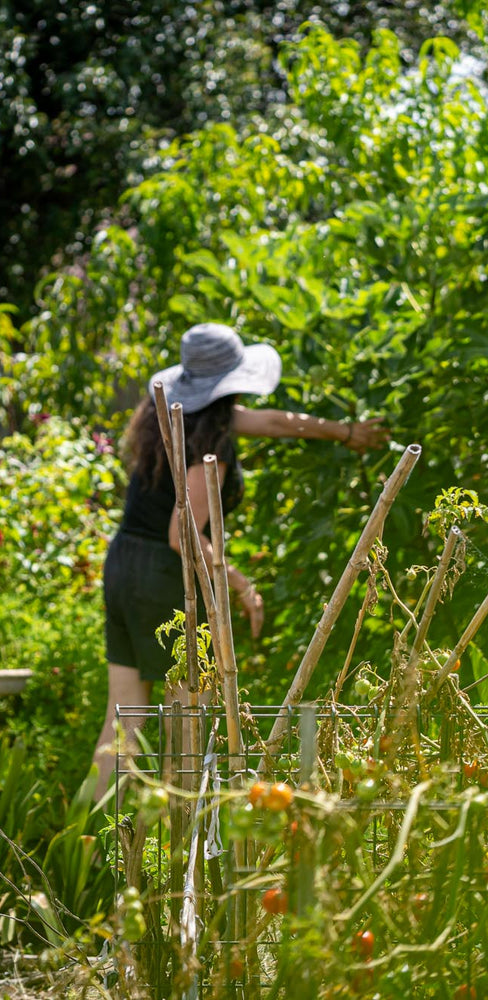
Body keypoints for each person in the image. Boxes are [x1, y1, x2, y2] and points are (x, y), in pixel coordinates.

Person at [92, 322, 389, 796]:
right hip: (166, 575)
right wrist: (238, 582)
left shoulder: (168, 414)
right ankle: (178, 844)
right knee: (189, 724)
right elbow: (181, 534)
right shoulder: (211, 443)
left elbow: (274, 421)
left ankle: (86, 849)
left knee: (124, 722)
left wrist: (344, 432)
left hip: (124, 561)